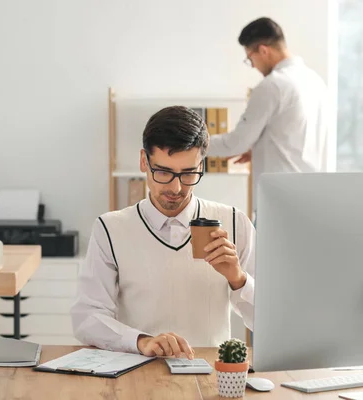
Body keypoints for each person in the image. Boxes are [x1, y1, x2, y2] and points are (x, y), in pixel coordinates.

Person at [71, 106, 255, 357]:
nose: (176, 187)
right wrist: (141, 341)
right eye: (163, 172)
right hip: (137, 374)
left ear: (201, 165)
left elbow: (268, 322)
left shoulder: (234, 222)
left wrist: (238, 279)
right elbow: (87, 317)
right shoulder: (110, 229)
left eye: (189, 173)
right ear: (143, 161)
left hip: (212, 380)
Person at [207, 17, 332, 216]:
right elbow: (296, 135)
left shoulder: (272, 86)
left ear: (263, 50)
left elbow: (236, 143)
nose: (254, 65)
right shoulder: (316, 82)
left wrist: (194, 144)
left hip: (281, 202)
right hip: (315, 200)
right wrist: (259, 148)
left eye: (250, 59)